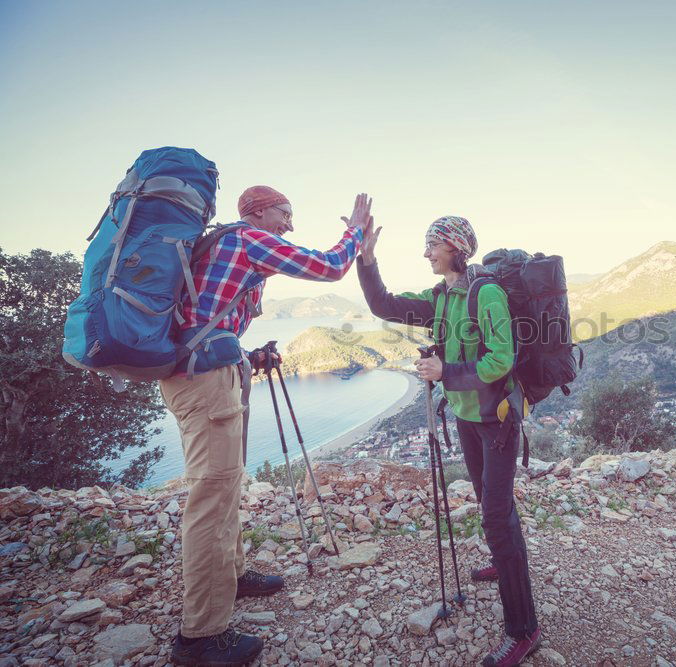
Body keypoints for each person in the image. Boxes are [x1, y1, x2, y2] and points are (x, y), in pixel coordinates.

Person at [163, 186, 372, 666]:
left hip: (210, 372)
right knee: (212, 499)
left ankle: (230, 577)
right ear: (256, 212)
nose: (290, 224)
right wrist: (356, 230)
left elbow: (207, 320)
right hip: (206, 383)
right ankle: (200, 637)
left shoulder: (223, 245)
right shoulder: (245, 240)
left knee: (228, 485)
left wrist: (247, 355)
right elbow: (329, 266)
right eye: (285, 213)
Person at [356, 215, 541, 666]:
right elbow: (384, 305)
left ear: (456, 247)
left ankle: (524, 630)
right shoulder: (440, 297)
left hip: (497, 423)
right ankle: (505, 561)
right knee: (487, 501)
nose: (426, 253)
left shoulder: (486, 293)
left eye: (432, 245)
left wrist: (447, 373)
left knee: (496, 517)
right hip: (466, 417)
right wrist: (366, 258)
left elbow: (503, 357)